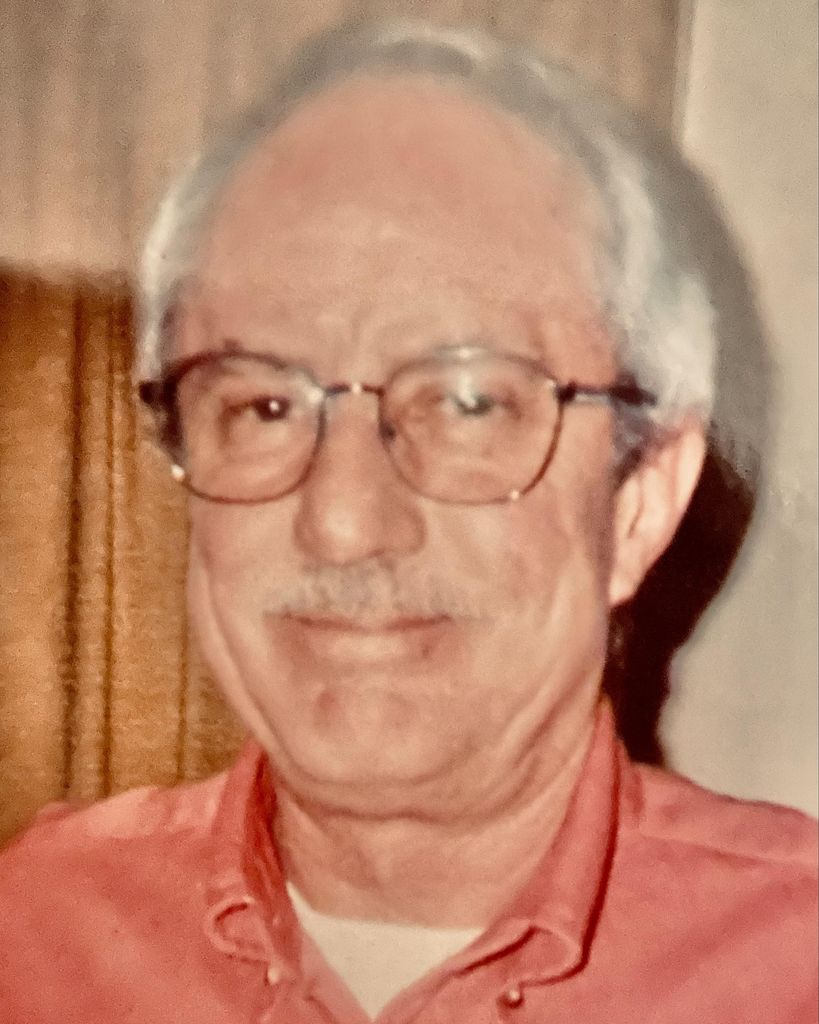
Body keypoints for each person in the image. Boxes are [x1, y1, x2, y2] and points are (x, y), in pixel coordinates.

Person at [0, 19, 815, 1024]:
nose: (343, 522)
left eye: (468, 402)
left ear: (639, 500)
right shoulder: (35, 934)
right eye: (264, 404)